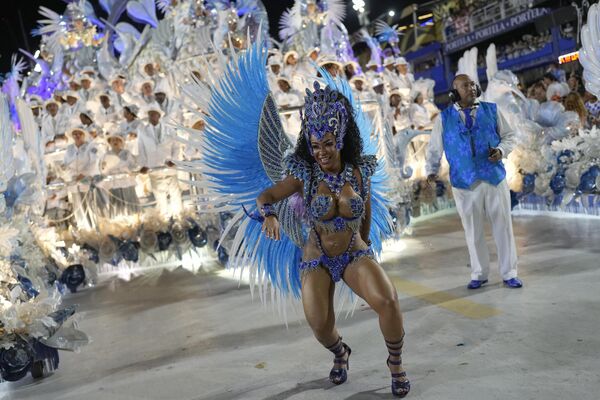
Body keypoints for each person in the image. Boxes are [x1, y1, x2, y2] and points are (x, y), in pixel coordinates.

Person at [256, 82, 410, 397]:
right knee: (319, 325)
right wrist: (269, 215)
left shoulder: (359, 172)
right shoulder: (305, 175)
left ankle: (396, 365)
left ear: (339, 139)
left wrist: (365, 254)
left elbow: (364, 216)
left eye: (327, 144)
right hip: (317, 258)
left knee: (389, 302)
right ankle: (341, 352)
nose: (321, 153)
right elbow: (266, 195)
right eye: (314, 146)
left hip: (353, 254)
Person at [425, 74, 522, 290]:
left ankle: (510, 272)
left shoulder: (491, 110)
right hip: (464, 182)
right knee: (472, 229)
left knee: (503, 226)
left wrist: (501, 150)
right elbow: (434, 149)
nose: (470, 88)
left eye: (472, 84)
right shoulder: (444, 118)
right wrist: (431, 171)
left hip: (493, 177)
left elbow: (510, 136)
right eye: (464, 85)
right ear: (454, 93)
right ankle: (479, 273)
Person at [137, 104, 182, 217]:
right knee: (160, 197)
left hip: (169, 168)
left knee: (175, 195)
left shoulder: (169, 129)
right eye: (149, 115)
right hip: (154, 169)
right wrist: (144, 165)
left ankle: (180, 218)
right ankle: (165, 220)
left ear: (159, 115)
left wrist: (174, 160)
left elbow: (176, 146)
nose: (151, 117)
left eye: (153, 114)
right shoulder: (143, 131)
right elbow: (141, 149)